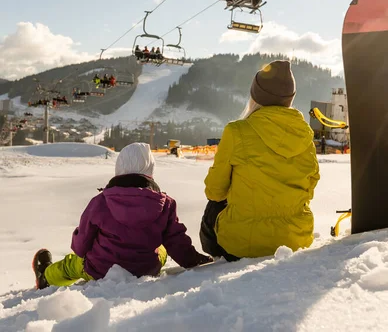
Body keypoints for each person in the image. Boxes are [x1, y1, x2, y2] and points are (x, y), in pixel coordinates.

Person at [32, 143, 212, 290]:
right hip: (146, 269)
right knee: (162, 249)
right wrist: (194, 260)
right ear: (150, 171)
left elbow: (80, 247)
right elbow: (176, 241)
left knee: (72, 264)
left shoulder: (100, 202)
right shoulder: (166, 204)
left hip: (100, 269)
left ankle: (45, 277)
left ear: (119, 169)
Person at [201, 60, 320, 262]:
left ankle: (218, 257)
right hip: (295, 240)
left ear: (256, 96)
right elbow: (310, 185)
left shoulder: (237, 131)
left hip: (241, 245)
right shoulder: (305, 136)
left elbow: (215, 191)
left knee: (214, 206)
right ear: (289, 99)